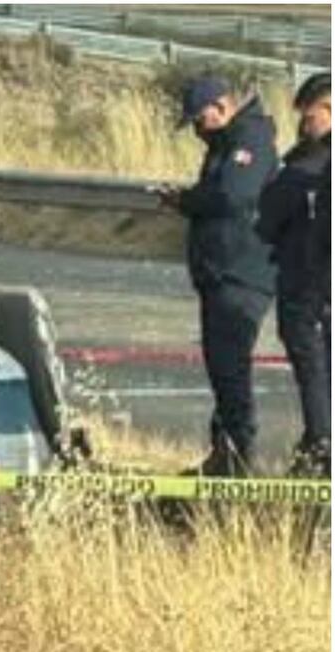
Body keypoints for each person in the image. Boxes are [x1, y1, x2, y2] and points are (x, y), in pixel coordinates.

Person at [154, 76, 279, 477]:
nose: (197, 130)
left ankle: (236, 458)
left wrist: (188, 200)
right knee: (222, 366)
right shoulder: (225, 144)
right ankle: (224, 451)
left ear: (222, 107)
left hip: (240, 272)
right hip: (221, 272)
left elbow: (233, 196)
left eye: (200, 119)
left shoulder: (250, 140)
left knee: (230, 366)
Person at [258, 72, 331, 477]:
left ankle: (321, 447)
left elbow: (269, 218)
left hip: (310, 281)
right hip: (314, 279)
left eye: (310, 115)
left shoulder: (309, 166)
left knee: (313, 364)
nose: (304, 124)